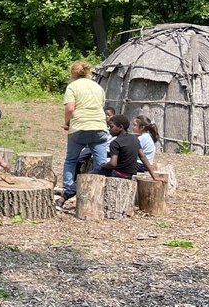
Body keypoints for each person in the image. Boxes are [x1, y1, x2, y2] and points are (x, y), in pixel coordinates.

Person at [59, 60, 109, 208]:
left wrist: (67, 123)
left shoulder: (72, 87)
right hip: (99, 126)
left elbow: (69, 108)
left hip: (79, 126)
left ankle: (68, 190)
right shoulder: (98, 87)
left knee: (71, 160)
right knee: (101, 163)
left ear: (72, 73)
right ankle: (100, 190)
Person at [100, 115, 154, 179]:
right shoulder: (134, 138)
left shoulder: (115, 142)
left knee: (97, 169)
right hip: (130, 172)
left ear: (120, 127)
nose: (109, 129)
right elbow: (143, 157)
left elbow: (113, 163)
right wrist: (153, 176)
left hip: (122, 171)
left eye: (111, 127)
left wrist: (103, 166)